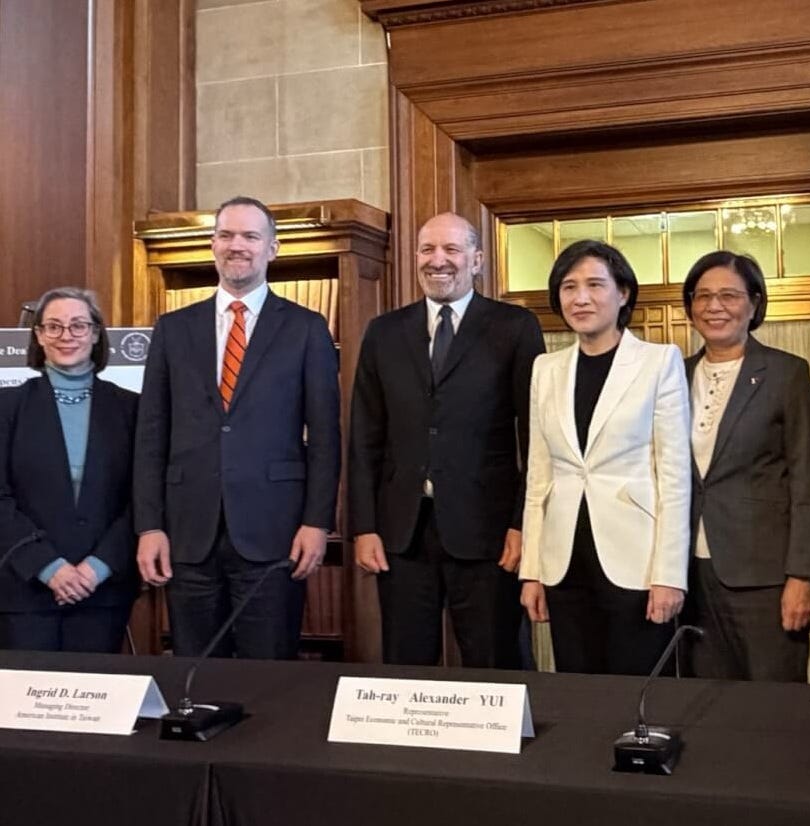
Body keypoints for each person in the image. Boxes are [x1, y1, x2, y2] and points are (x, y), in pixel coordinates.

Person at [134, 195, 340, 660]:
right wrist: (149, 526)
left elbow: (326, 437)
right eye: (226, 235)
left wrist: (317, 522)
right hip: (188, 532)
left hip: (275, 531)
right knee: (195, 668)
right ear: (212, 244)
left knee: (268, 673)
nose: (237, 245)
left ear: (272, 248)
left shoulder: (306, 328)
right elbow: (150, 435)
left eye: (250, 236)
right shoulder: (172, 329)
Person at [348, 212, 544, 668]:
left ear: (477, 260)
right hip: (402, 533)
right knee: (406, 664)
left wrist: (523, 526)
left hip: (489, 533)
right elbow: (364, 437)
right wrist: (364, 526)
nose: (438, 260)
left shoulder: (515, 327)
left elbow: (536, 438)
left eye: (452, 249)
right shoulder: (384, 332)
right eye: (427, 249)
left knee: (496, 662)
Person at [519, 240, 690, 675]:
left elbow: (674, 477)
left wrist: (670, 574)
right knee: (577, 686)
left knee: (635, 688)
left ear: (623, 293)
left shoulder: (658, 362)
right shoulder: (545, 369)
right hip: (563, 559)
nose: (581, 298)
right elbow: (539, 476)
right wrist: (532, 570)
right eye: (569, 287)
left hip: (637, 559)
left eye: (595, 285)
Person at [681, 251, 810, 681]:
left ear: (754, 303)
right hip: (689, 571)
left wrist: (801, 577)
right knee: (704, 698)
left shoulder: (786, 373)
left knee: (773, 696)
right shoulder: (673, 375)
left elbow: (807, 481)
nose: (714, 306)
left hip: (764, 575)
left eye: (729, 295)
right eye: (702, 296)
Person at [0, 288, 138, 652]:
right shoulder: (7, 406)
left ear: (95, 334)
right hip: (24, 589)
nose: (67, 335)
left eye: (78, 325)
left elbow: (143, 500)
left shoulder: (132, 409)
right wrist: (49, 567)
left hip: (103, 589)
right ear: (39, 335)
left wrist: (97, 567)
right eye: (54, 326)